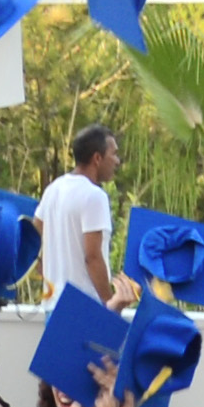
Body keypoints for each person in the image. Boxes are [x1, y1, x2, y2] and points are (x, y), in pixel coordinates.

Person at [35, 130, 123, 311]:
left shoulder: (53, 189)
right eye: (113, 154)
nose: (117, 161)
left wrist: (48, 272)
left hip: (52, 305)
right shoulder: (94, 196)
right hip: (85, 309)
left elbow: (32, 239)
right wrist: (110, 304)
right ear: (97, 158)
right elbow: (93, 257)